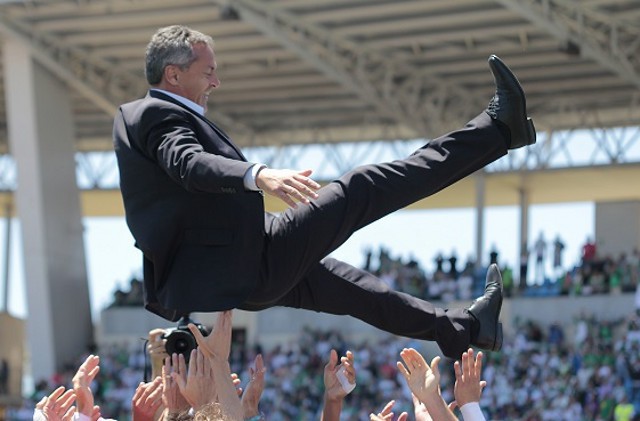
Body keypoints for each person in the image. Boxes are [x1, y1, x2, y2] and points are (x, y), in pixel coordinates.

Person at [113, 24, 536, 359]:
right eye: (208, 71)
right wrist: (258, 174)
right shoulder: (154, 114)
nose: (217, 81)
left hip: (246, 266)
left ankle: (467, 327)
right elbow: (187, 163)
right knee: (362, 187)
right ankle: (498, 130)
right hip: (248, 260)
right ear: (174, 73)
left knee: (350, 288)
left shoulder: (156, 116)